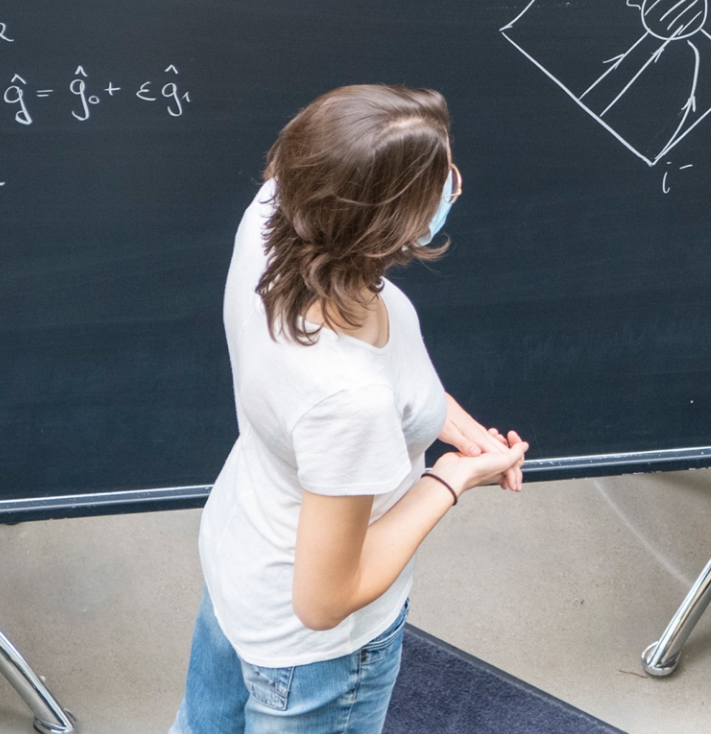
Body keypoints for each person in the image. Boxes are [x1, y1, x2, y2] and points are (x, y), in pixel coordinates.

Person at [174, 84, 530, 734]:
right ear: (387, 224)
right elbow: (325, 598)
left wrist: (446, 421)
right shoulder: (346, 399)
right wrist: (451, 478)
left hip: (239, 562)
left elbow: (380, 390)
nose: (455, 183)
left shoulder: (273, 219)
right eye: (440, 180)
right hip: (310, 656)